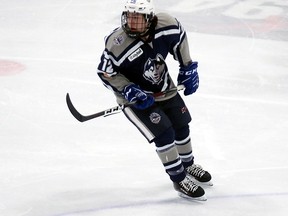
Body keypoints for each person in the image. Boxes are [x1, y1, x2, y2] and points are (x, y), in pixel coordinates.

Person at [97, 0, 212, 200]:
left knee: (181, 125)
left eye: (137, 18)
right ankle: (179, 179)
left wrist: (187, 66)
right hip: (136, 99)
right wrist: (128, 89)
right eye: (129, 16)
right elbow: (106, 73)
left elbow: (180, 38)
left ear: (149, 18)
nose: (131, 22)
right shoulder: (117, 42)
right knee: (164, 134)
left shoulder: (166, 23)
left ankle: (188, 164)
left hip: (164, 88)